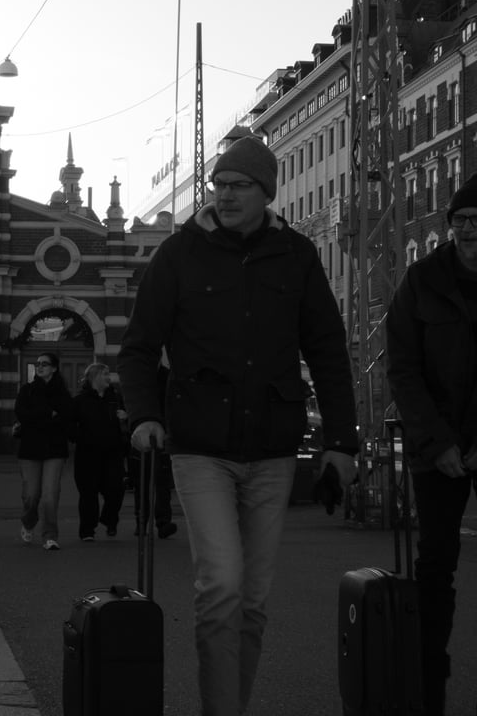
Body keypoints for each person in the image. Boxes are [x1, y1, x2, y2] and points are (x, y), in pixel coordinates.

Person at [115, 135, 358, 716]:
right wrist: (145, 415)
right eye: (219, 185)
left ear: (266, 192)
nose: (224, 195)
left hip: (272, 447)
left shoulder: (296, 255)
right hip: (200, 447)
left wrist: (341, 443)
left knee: (251, 601)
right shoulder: (179, 254)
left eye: (238, 186)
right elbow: (139, 347)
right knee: (221, 586)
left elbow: (328, 351)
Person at [384, 173, 477, 715]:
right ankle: (428, 689)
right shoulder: (422, 280)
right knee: (436, 568)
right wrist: (438, 442)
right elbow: (403, 368)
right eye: (460, 220)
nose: (468, 230)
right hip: (434, 447)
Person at [14, 351, 73, 550]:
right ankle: (28, 521)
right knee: (31, 495)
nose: (39, 367)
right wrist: (48, 413)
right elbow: (22, 414)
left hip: (55, 450)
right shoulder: (27, 390)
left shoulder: (62, 393)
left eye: (44, 364)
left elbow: (66, 418)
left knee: (50, 495)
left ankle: (50, 535)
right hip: (30, 449)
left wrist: (38, 417)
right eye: (37, 364)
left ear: (54, 368)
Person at [68, 362, 127, 541]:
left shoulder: (116, 398)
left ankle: (109, 519)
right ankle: (87, 531)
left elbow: (127, 421)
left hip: (112, 453)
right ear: (94, 377)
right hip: (87, 454)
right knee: (88, 493)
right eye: (105, 374)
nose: (109, 377)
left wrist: (125, 418)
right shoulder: (80, 401)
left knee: (116, 489)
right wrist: (80, 437)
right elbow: (69, 424)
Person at [127, 361, 178, 540]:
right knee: (142, 483)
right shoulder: (138, 373)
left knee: (162, 484)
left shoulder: (168, 376)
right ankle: (141, 522)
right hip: (142, 434)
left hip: (163, 436)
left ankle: (163, 522)